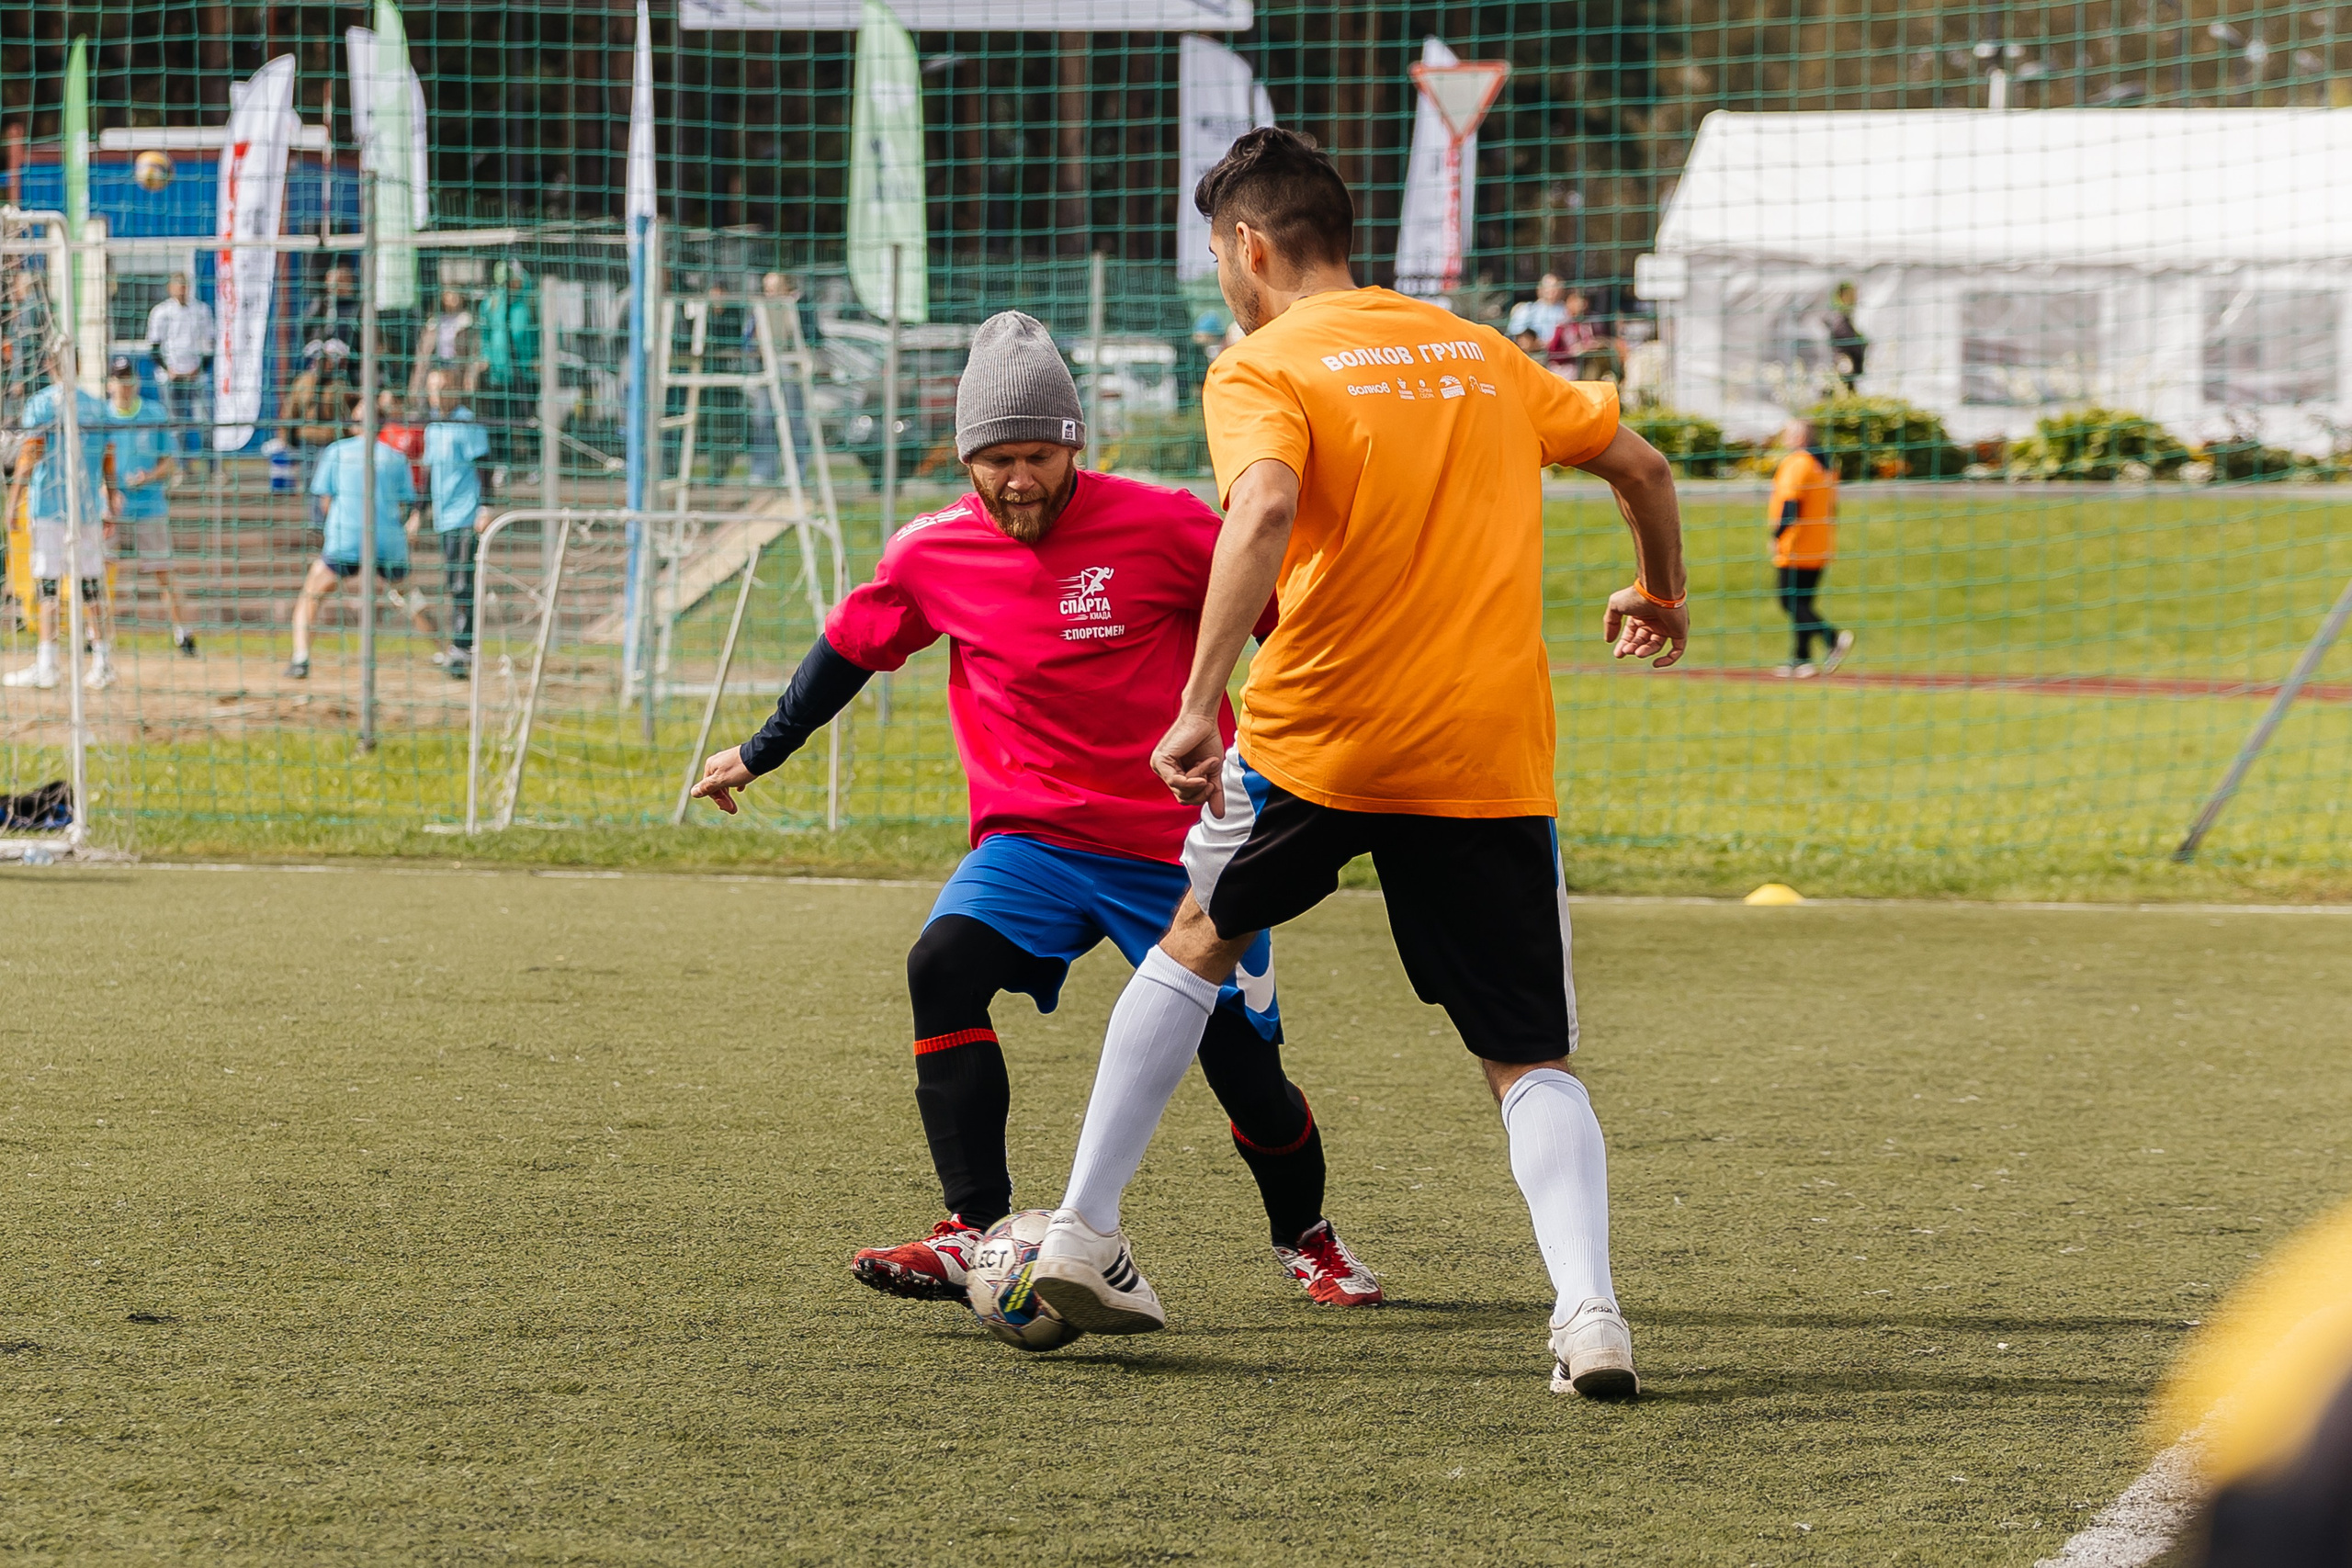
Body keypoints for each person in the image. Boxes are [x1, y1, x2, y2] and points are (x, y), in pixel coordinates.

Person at [1021, 128, 1689, 1401]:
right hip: (1484, 751)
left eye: (1219, 253)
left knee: (1196, 935)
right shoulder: (1483, 351)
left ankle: (1085, 1230)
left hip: (1317, 738)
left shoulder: (1261, 362)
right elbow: (1640, 465)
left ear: (1250, 247)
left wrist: (1198, 699)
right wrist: (1661, 592)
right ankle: (1590, 1311)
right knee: (1525, 1055)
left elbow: (1264, 507)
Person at [689, 310, 1382, 1312]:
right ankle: (971, 1228)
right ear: (966, 457)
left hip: (1179, 848)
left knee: (1242, 1069)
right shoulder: (932, 553)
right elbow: (850, 649)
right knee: (941, 966)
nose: (1019, 480)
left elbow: (1291, 625)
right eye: (996, 458)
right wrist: (758, 753)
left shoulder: (1167, 525)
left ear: (1074, 446)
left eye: (1038, 456)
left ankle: (1305, 1236)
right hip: (1034, 841)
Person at [286, 402, 428, 680]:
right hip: (387, 541)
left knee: (311, 595)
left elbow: (324, 500)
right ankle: (447, 652)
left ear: (353, 423)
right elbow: (406, 502)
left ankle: (301, 657)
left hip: (346, 538)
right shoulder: (395, 457)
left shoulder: (336, 452)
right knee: (411, 598)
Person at [2, 347, 117, 690]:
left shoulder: (42, 404)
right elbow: (108, 459)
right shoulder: (98, 407)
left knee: (48, 583)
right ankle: (103, 660)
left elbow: (30, 454)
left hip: (50, 507)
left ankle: (48, 663)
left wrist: (13, 500)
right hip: (86, 509)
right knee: (92, 584)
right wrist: (109, 495)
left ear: (49, 363)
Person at [103, 355, 197, 657]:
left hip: (149, 506)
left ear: (137, 382)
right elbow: (92, 464)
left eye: (129, 378)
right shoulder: (101, 417)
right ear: (110, 384)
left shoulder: (154, 413)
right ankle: (99, 639)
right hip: (111, 508)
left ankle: (184, 636)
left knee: (163, 573)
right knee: (102, 573)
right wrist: (108, 490)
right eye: (119, 379)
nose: (125, 385)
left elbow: (170, 462)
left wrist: (148, 476)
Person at [1767, 419, 1853, 677]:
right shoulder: (1826, 465)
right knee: (1803, 602)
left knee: (1789, 601)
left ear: (1801, 437)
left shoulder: (1797, 463)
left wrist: (1777, 535)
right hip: (1821, 544)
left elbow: (1790, 504)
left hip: (1796, 545)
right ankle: (1801, 659)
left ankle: (1832, 637)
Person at [419, 368, 491, 679]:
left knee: (462, 583)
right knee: (453, 582)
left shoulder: (467, 421)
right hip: (444, 516)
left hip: (465, 514)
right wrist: (417, 512)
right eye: (432, 387)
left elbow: (484, 466)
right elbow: (430, 473)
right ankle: (461, 647)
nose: (437, 393)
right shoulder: (433, 425)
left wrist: (485, 507)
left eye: (442, 387)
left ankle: (462, 650)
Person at [143, 271, 215, 483]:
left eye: (185, 286)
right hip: (170, 378)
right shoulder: (161, 312)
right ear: (170, 288)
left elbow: (210, 345)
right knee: (176, 425)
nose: (182, 290)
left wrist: (199, 369)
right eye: (178, 286)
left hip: (196, 377)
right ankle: (182, 469)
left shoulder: (201, 311)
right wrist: (169, 369)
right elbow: (154, 347)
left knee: (205, 421)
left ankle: (212, 469)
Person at [476, 260, 538, 479]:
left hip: (524, 370)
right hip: (499, 371)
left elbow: (541, 331)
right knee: (500, 418)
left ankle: (536, 461)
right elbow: (485, 333)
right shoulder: (491, 302)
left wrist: (538, 356)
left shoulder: (529, 301)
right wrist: (485, 356)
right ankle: (503, 463)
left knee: (528, 416)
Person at [280, 341, 355, 490]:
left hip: (330, 441)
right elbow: (290, 410)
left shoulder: (339, 385)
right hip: (308, 439)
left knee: (324, 483)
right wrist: (285, 437)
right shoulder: (304, 382)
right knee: (312, 483)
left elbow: (347, 415)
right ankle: (315, 511)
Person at [410, 288, 478, 401]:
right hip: (438, 362)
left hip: (456, 363)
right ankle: (435, 413)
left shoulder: (466, 320)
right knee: (434, 383)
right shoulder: (435, 321)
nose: (452, 298)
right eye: (448, 295)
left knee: (451, 392)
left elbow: (473, 351)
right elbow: (423, 353)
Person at [1826, 282, 1867, 392]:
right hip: (1843, 365)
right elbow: (1844, 339)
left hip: (1850, 368)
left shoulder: (1847, 316)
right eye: (1851, 294)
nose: (1855, 299)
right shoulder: (1838, 318)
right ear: (1842, 296)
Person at [1505, 272, 1569, 343]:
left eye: (1555, 286)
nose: (1551, 290)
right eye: (1547, 286)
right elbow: (1514, 333)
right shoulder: (1527, 310)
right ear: (1540, 289)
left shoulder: (1566, 311)